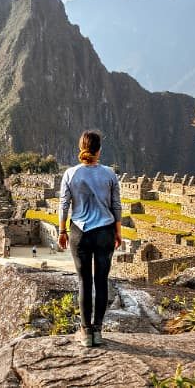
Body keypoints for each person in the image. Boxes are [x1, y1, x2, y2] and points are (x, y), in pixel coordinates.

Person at [58, 130, 122, 347]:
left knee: (84, 281)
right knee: (101, 280)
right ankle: (98, 330)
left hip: (80, 233)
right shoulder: (110, 174)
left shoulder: (71, 173)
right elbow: (116, 205)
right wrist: (118, 231)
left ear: (81, 148)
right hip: (105, 231)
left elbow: (64, 205)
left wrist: (62, 231)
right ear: (99, 150)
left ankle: (85, 333)